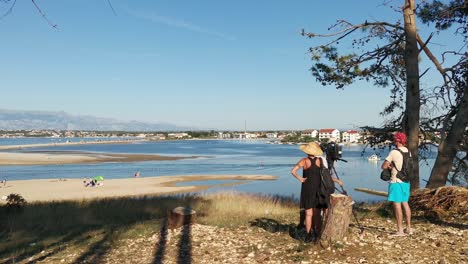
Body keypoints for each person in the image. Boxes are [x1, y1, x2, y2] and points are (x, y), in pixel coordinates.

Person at [291, 142, 343, 242]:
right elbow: (326, 176)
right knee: (317, 213)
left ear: (307, 151)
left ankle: (308, 235)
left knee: (308, 213)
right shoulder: (320, 161)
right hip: (318, 189)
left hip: (307, 188)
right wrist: (336, 180)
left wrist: (300, 178)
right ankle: (317, 233)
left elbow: (293, 171)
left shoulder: (304, 161)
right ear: (315, 152)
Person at [381, 132, 412, 236]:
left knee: (397, 204)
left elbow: (384, 166)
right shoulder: (408, 151)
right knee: (405, 203)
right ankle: (409, 228)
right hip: (406, 181)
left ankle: (400, 230)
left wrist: (390, 166)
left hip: (396, 181)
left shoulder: (394, 152)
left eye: (395, 139)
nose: (394, 141)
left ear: (398, 140)